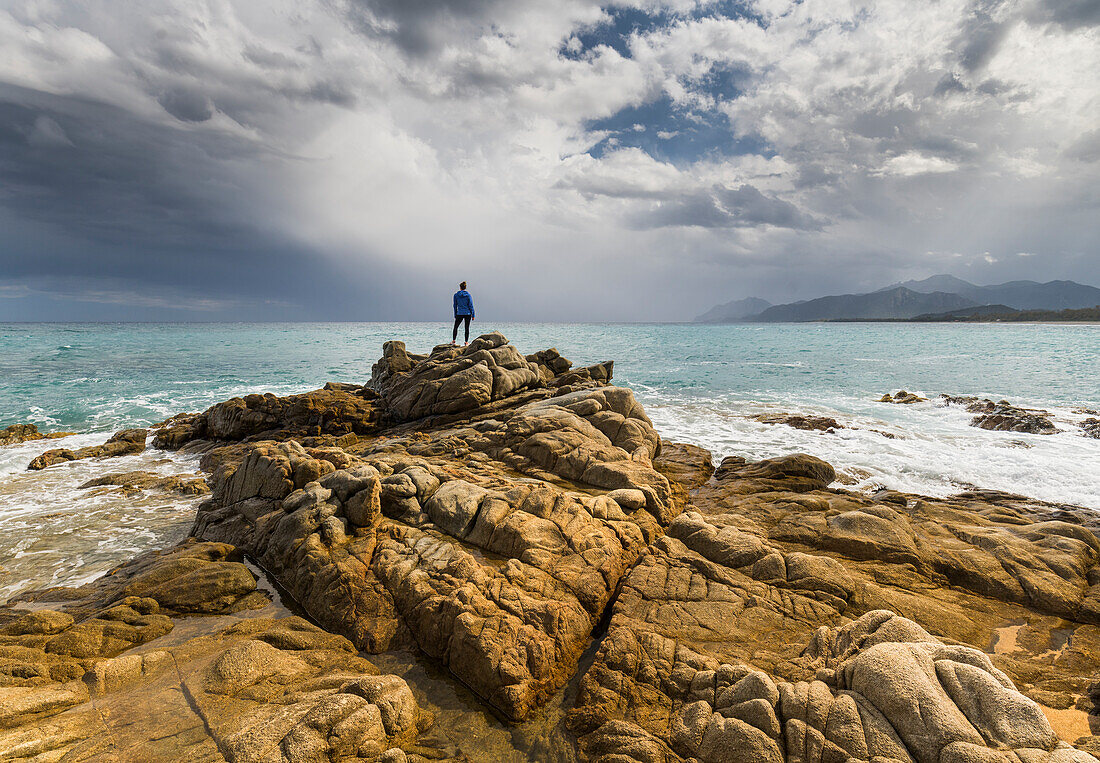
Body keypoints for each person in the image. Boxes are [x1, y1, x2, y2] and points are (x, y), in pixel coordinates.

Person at [452, 281, 474, 345]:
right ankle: (466, 342)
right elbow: (471, 305)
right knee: (466, 328)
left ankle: (453, 341)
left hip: (459, 313)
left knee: (456, 327)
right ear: (465, 287)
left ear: (460, 287)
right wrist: (473, 315)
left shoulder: (456, 295)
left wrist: (455, 314)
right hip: (468, 313)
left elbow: (455, 305)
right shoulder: (468, 295)